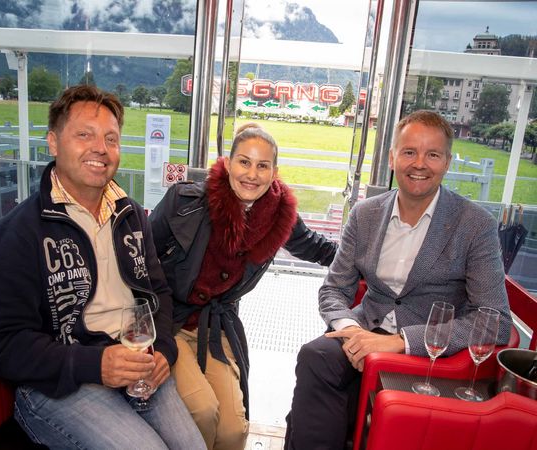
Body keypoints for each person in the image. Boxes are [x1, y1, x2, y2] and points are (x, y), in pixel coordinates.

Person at [0, 85, 206, 450]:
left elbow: (157, 293)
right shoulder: (17, 234)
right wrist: (95, 364)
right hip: (58, 384)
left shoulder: (131, 216)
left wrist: (163, 351)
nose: (100, 148)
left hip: (134, 362)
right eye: (84, 135)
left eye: (110, 139)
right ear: (53, 142)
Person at [284, 110, 512, 450]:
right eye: (409, 152)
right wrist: (351, 332)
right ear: (392, 157)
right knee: (315, 358)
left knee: (333, 410)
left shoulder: (475, 224)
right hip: (363, 332)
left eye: (432, 154)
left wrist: (402, 341)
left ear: (447, 162)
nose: (419, 163)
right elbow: (334, 287)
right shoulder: (366, 213)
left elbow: (495, 321)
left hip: (428, 350)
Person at [148, 123, 337, 450]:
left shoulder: (279, 216)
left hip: (216, 328)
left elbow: (316, 247)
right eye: (244, 162)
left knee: (234, 429)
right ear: (228, 162)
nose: (252, 174)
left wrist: (362, 262)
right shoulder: (187, 201)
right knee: (204, 411)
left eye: (262, 166)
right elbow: (142, 255)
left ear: (274, 172)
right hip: (169, 321)